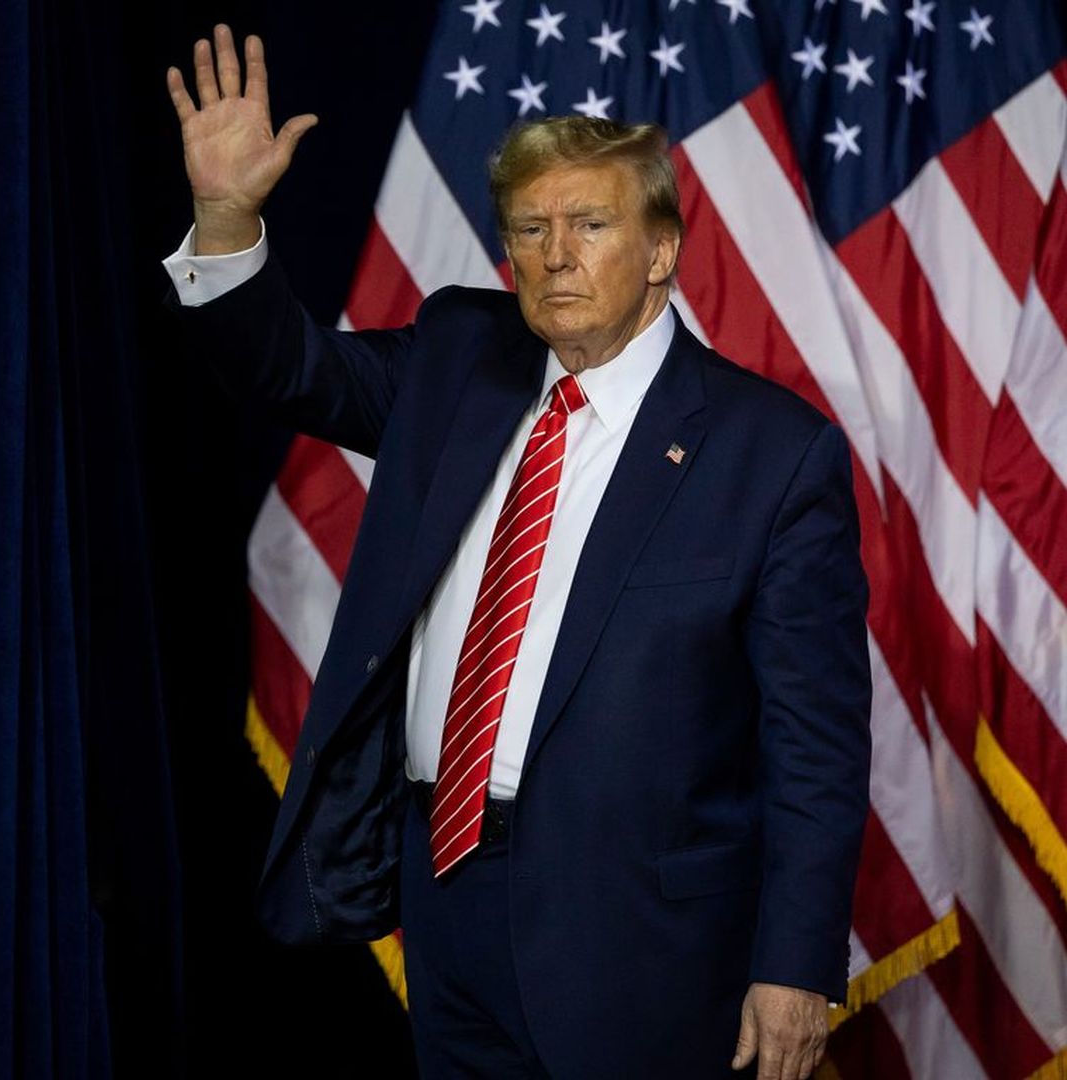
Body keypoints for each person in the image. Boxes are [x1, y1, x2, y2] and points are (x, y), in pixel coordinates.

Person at [162, 25, 871, 1080]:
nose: (555, 254)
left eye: (590, 223)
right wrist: (225, 219)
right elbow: (289, 372)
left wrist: (796, 967)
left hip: (646, 938)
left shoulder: (774, 452)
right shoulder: (460, 357)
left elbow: (816, 747)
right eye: (530, 228)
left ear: (664, 249)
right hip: (446, 895)